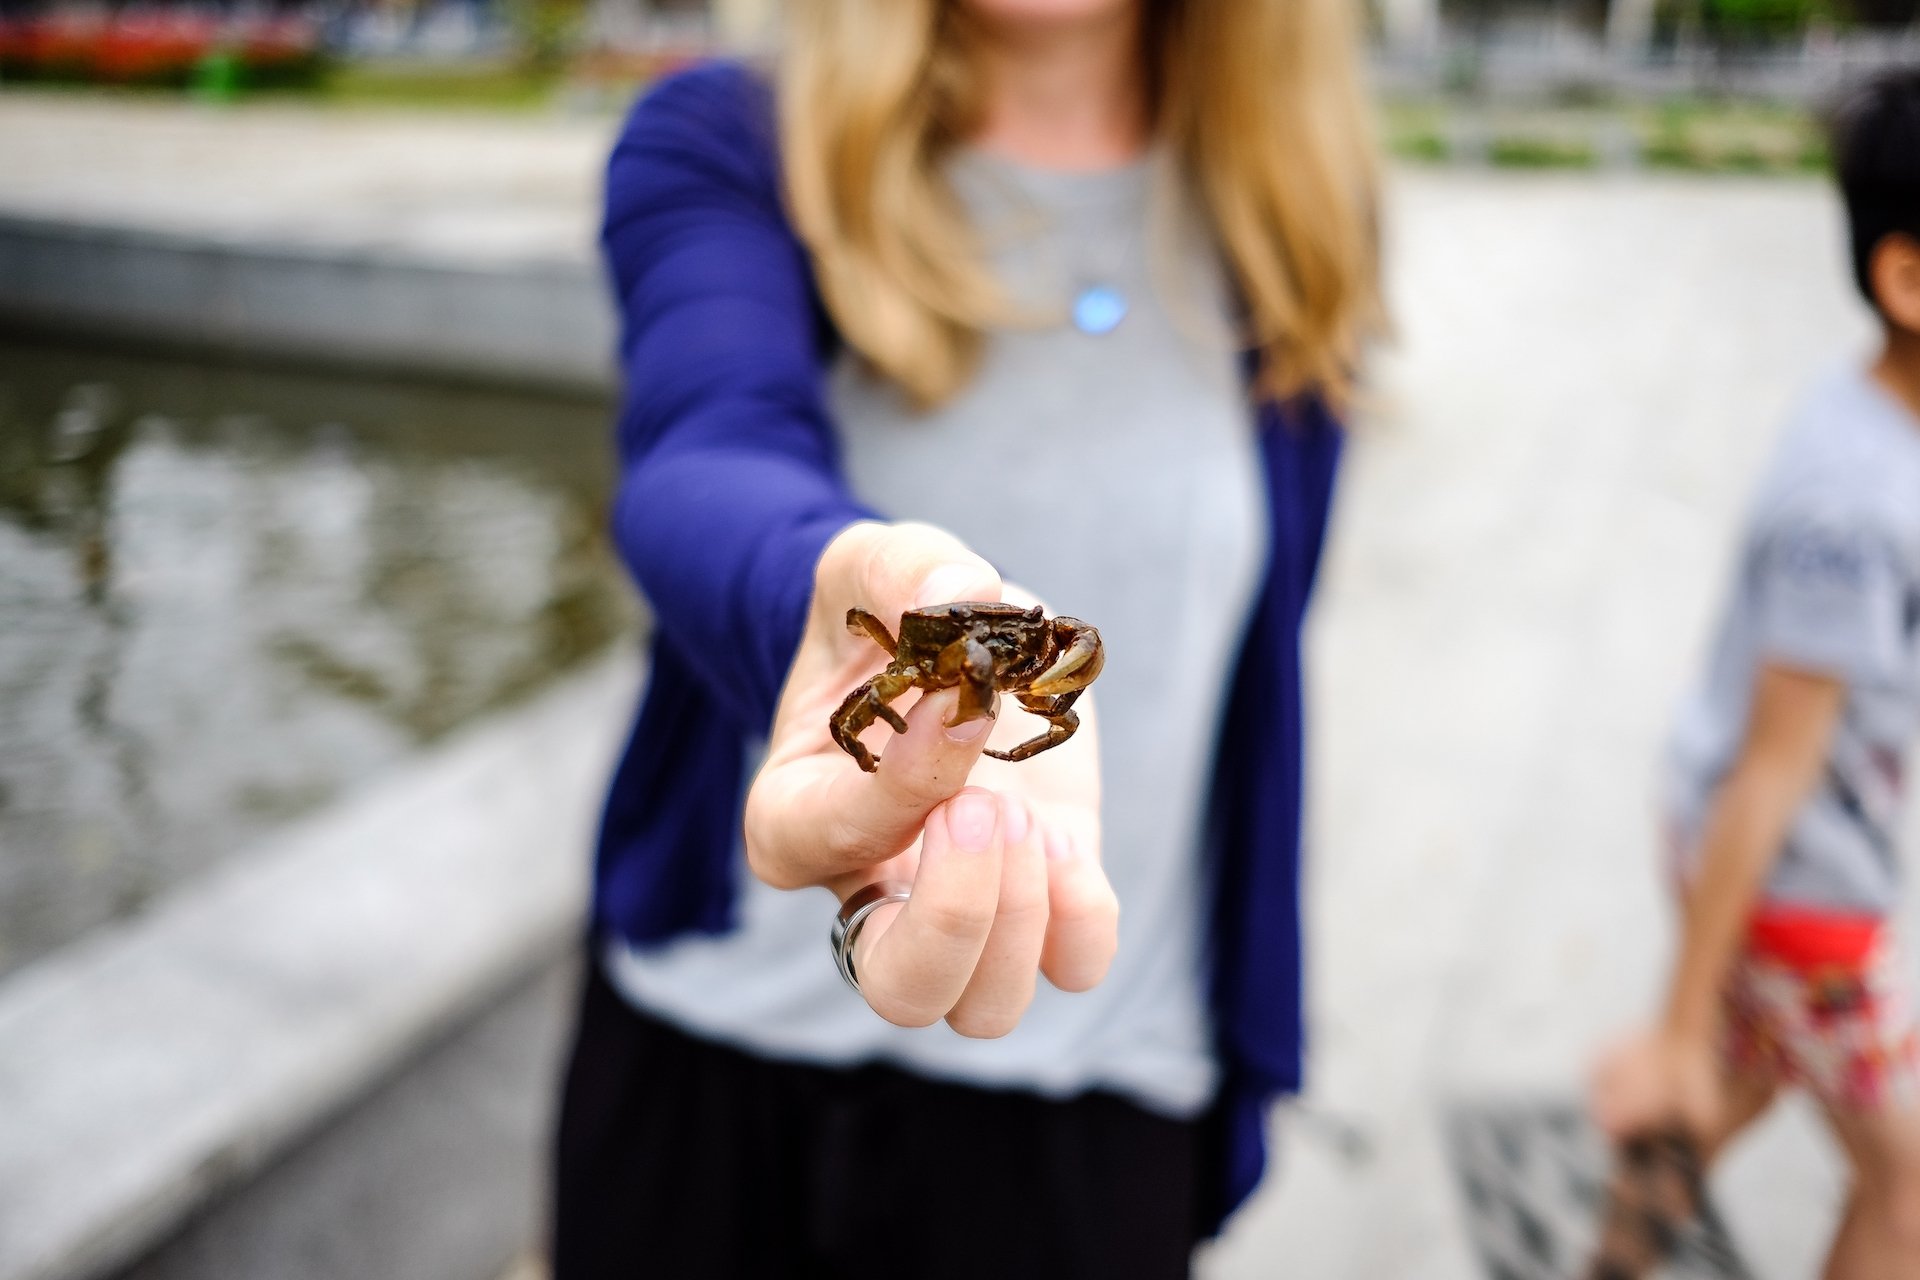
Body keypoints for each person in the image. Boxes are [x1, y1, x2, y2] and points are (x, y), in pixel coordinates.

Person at [551, 1, 1382, 1275]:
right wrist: (834, 584)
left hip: (1097, 1074)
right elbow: (703, 447)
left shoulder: (1289, 218)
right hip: (712, 1053)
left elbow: (1250, 667)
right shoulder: (736, 139)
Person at [1591, 68, 1920, 1278]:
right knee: (1911, 1188)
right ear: (1907, 281)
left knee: (1737, 1079)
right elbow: (1778, 767)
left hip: (1753, 855)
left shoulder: (1873, 416)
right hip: (1800, 893)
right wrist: (1678, 1013)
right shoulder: (1858, 506)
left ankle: (1615, 1259)